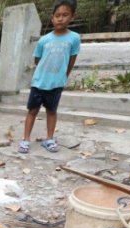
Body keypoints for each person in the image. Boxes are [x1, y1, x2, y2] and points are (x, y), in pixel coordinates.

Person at [18, 0, 80, 154]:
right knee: (32, 110)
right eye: (57, 15)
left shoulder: (74, 38)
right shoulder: (44, 40)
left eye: (65, 15)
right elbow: (38, 60)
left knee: (52, 111)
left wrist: (63, 77)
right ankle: (26, 139)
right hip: (39, 82)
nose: (60, 18)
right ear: (52, 18)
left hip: (56, 84)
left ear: (72, 17)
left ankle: (49, 138)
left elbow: (71, 60)